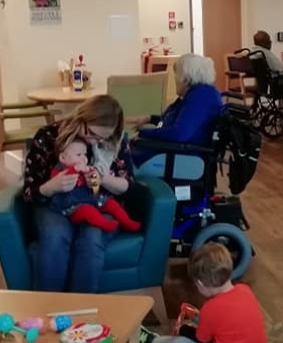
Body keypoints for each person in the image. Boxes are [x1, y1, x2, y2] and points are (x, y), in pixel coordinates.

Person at [23, 94, 135, 293]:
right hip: (56, 205)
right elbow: (29, 192)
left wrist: (102, 178)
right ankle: (47, 309)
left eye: (102, 138)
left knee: (91, 241)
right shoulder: (48, 136)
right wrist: (51, 186)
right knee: (54, 237)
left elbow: (129, 187)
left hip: (98, 202)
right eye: (91, 133)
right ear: (80, 119)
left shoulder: (115, 142)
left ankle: (80, 314)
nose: (94, 141)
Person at [152, 243, 267, 343]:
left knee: (173, 341)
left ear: (200, 283)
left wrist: (184, 329)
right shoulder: (245, 290)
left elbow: (201, 339)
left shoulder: (210, 308)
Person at [130, 53, 224, 168]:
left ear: (186, 79)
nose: (174, 79)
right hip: (177, 151)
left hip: (182, 156)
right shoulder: (200, 93)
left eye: (176, 75)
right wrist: (150, 119)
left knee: (122, 161)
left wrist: (143, 133)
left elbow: (178, 133)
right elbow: (182, 122)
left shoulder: (200, 98)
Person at [49, 137, 141, 232]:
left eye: (84, 154)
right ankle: (105, 224)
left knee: (111, 204)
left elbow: (95, 189)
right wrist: (75, 170)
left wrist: (93, 181)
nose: (84, 158)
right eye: (78, 155)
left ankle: (127, 222)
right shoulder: (58, 171)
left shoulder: (87, 169)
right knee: (88, 211)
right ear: (62, 158)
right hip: (71, 207)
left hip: (89, 199)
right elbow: (62, 184)